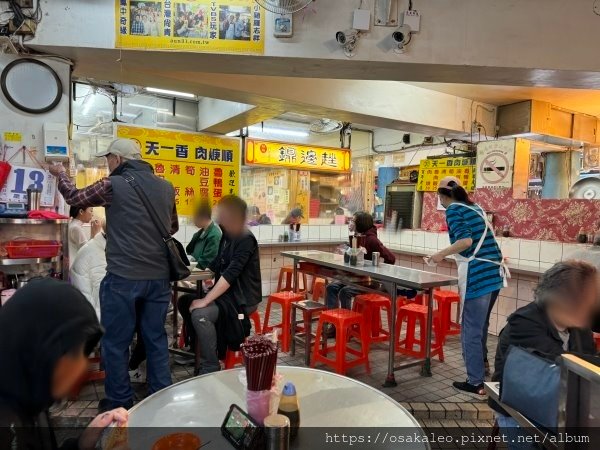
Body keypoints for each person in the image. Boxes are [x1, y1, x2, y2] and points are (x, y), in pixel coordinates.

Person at [49, 138, 178, 412]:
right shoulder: (166, 187)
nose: (107, 164)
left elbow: (74, 198)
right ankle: (161, 398)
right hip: (158, 278)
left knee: (116, 342)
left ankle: (120, 402)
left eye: (108, 159)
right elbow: (173, 226)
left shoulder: (112, 185)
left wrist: (61, 174)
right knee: (155, 338)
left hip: (123, 278)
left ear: (118, 159)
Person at [0, 278, 128, 450]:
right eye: (74, 354)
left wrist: (83, 442)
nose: (82, 367)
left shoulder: (28, 397)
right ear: (44, 351)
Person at [490, 261, 598, 449]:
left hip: (562, 404)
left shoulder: (579, 325)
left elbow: (590, 362)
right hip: (518, 407)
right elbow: (562, 365)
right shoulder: (523, 323)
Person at [429, 176, 507, 397]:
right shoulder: (476, 207)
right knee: (480, 325)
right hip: (494, 274)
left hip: (478, 274)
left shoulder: (453, 209)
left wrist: (439, 255)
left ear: (442, 196)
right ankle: (483, 368)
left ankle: (475, 382)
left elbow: (465, 242)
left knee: (470, 329)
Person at [186, 195, 262, 375]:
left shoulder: (245, 238)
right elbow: (217, 264)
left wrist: (206, 300)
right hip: (228, 295)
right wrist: (202, 276)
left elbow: (230, 275)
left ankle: (211, 365)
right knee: (185, 302)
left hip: (242, 299)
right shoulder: (226, 234)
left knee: (201, 314)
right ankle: (196, 350)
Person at [325, 212, 396, 313]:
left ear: (360, 223)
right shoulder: (356, 237)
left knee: (345, 292)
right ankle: (333, 320)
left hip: (368, 280)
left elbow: (391, 258)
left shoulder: (372, 239)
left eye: (353, 220)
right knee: (331, 287)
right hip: (355, 277)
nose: (351, 222)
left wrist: (379, 274)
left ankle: (347, 322)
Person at [70, 217, 107, 319]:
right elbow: (102, 303)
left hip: (87, 316)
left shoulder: (97, 246)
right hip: (93, 321)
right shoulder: (99, 256)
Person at [186, 201, 222, 270]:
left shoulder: (214, 235)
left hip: (203, 276)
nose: (193, 220)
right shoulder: (200, 233)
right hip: (196, 272)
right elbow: (190, 251)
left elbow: (206, 262)